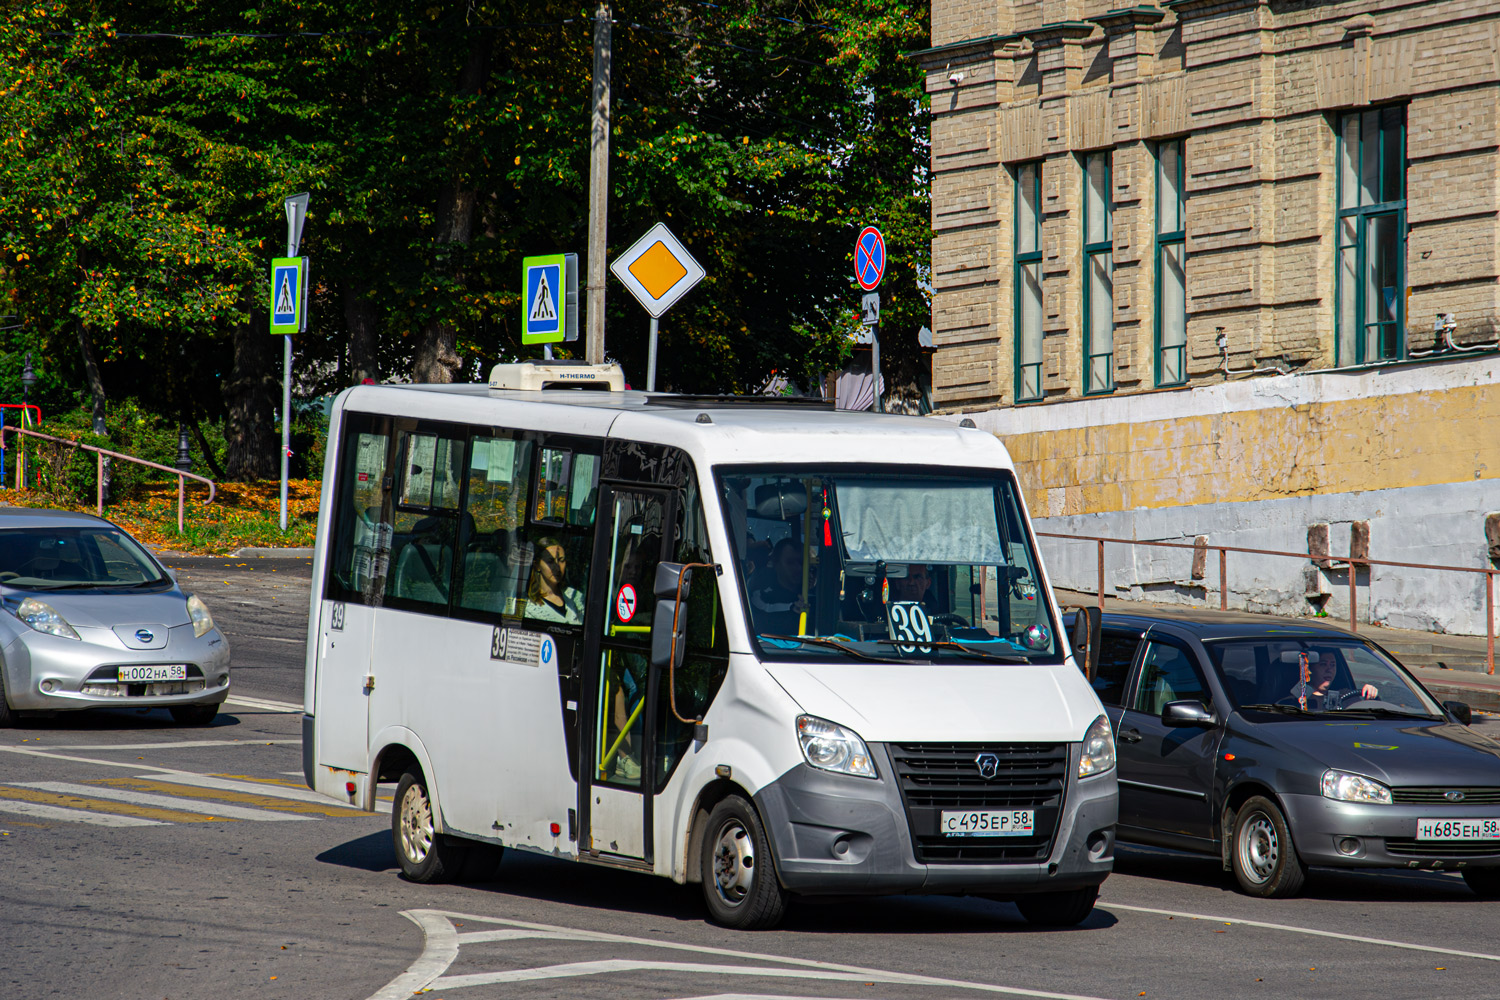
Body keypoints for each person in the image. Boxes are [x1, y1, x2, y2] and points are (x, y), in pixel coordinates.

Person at [750, 537, 811, 635]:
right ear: (776, 563)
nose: (798, 568)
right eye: (790, 562)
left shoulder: (815, 599)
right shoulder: (762, 596)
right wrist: (791, 608)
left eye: (801, 562)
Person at [525, 537, 584, 624]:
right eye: (550, 561)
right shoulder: (528, 606)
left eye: (561, 560)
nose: (557, 567)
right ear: (537, 565)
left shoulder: (576, 597)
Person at [1292, 652, 1378, 709]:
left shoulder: (1344, 696)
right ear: (1309, 670)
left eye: (1332, 665)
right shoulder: (1297, 700)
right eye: (1323, 664)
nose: (1329, 669)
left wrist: (1370, 696)